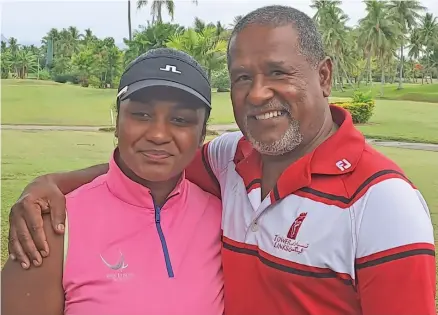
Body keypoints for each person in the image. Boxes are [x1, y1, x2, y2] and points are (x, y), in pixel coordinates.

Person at [6, 5, 436, 315]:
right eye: (242, 77)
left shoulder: (382, 202)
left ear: (323, 76)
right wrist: (53, 182)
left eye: (278, 72)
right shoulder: (231, 159)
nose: (258, 93)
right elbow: (152, 165)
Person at [2, 48, 224, 315]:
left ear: (202, 134)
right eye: (142, 114)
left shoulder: (223, 217)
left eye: (180, 120)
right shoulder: (53, 228)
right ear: (117, 122)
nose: (158, 134)